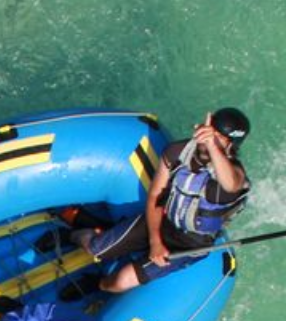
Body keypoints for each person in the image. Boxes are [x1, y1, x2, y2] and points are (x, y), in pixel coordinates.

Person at [64, 108, 249, 293]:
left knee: (119, 283)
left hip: (190, 244)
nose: (209, 138)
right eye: (210, 131)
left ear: (230, 145)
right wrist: (156, 242)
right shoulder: (177, 152)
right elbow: (155, 195)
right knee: (95, 248)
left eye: (219, 137)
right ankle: (71, 233)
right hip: (161, 222)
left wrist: (212, 146)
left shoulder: (234, 176)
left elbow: (231, 184)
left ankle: (98, 284)